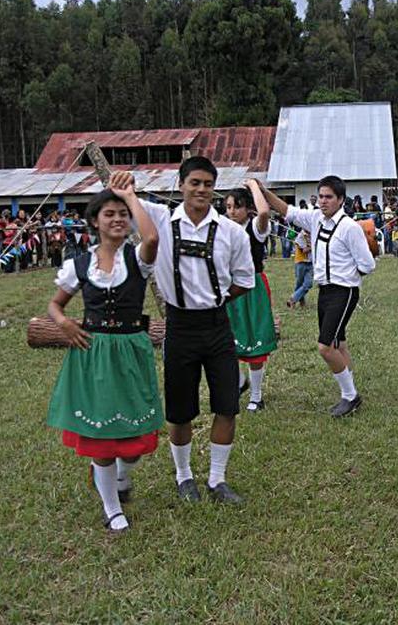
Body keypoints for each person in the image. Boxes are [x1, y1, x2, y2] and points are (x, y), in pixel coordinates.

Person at [116, 158, 255, 505]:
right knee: (180, 410)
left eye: (208, 184)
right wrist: (124, 184)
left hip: (217, 326)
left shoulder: (232, 232)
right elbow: (119, 197)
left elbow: (244, 281)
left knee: (227, 405)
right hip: (179, 327)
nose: (201, 189)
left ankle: (217, 479)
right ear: (180, 184)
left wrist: (216, 299)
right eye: (194, 182)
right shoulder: (160, 219)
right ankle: (184, 476)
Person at [45, 176, 162, 533]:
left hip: (130, 350)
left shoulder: (137, 258)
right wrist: (63, 323)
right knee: (101, 439)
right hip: (93, 354)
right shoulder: (79, 264)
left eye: (123, 214)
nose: (117, 219)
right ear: (95, 221)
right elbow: (55, 304)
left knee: (133, 440)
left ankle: (123, 476)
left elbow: (152, 237)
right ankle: (112, 508)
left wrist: (130, 195)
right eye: (109, 213)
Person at [259, 175, 376, 417]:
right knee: (338, 343)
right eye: (321, 196)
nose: (323, 201)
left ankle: (350, 396)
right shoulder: (315, 219)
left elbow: (367, 264)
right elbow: (286, 210)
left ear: (341, 200)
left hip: (343, 291)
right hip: (324, 290)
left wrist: (346, 277)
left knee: (325, 347)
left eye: (329, 197)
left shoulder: (350, 228)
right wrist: (262, 191)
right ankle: (349, 386)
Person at [224, 181, 278, 412]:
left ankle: (256, 396)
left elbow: (264, 211)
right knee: (227, 340)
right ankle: (239, 382)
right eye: (227, 207)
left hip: (252, 287)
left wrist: (253, 186)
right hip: (229, 288)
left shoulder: (255, 228)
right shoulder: (223, 230)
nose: (232, 211)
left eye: (237, 206)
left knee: (255, 342)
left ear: (248, 209)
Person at [288, 229, 313, 308]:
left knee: (308, 284)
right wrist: (314, 246)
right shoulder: (300, 236)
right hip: (301, 262)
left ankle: (293, 298)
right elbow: (305, 250)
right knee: (299, 283)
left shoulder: (313, 234)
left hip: (311, 262)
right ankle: (301, 302)